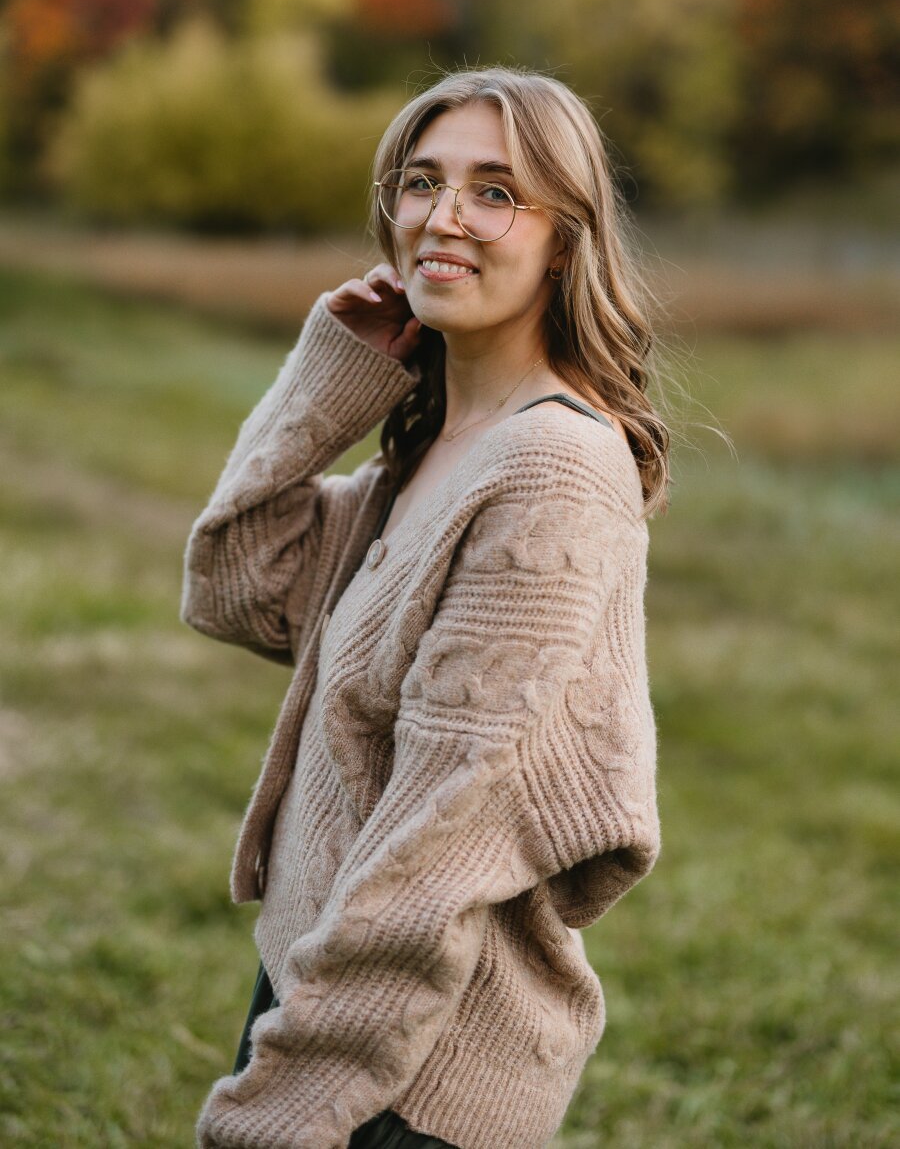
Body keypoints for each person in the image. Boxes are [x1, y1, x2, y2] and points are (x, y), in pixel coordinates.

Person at [181, 65, 670, 1149]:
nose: (443, 218)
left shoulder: (551, 471)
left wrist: (300, 1090)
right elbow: (236, 585)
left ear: (566, 237)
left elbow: (442, 831)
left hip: (409, 1062)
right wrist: (333, 377)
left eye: (496, 191)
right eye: (420, 182)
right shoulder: (429, 454)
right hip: (323, 980)